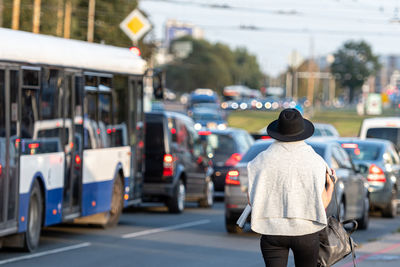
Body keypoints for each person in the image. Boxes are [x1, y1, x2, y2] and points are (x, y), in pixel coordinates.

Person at [247, 108, 336, 267]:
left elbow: (251, 200)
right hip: (306, 231)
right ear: (302, 131)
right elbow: (322, 204)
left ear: (278, 131)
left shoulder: (260, 161)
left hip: (272, 230)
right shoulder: (316, 161)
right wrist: (330, 187)